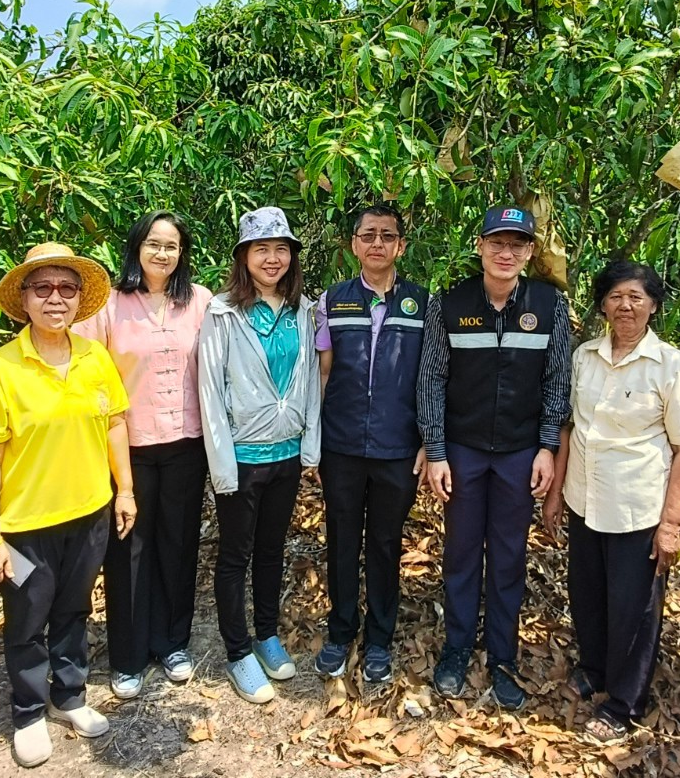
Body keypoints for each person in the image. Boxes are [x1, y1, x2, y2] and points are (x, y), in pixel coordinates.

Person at [0, 243, 137, 768]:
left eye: (66, 288)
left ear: (79, 299)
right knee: (26, 619)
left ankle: (70, 695)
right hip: (24, 525)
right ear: (24, 300)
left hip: (89, 513)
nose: (55, 298)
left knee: (73, 609)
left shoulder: (94, 357)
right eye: (43, 288)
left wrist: (125, 490)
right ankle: (27, 713)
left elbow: (115, 424)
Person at [544, 261, 680, 742]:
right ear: (602, 304)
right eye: (616, 296)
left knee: (633, 610)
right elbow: (570, 428)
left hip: (637, 509)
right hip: (585, 500)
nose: (625, 306)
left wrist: (671, 525)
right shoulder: (584, 357)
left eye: (636, 297)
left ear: (653, 305)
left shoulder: (672, 368)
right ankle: (594, 670)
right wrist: (555, 494)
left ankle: (624, 702)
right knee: (588, 596)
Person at [417, 204, 571, 710]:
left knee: (508, 556)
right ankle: (457, 648)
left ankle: (502, 656)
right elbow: (432, 378)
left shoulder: (548, 305)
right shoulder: (450, 303)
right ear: (480, 246)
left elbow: (557, 381)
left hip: (519, 454)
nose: (506, 252)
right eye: (497, 243)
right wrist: (436, 450)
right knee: (461, 552)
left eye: (517, 244)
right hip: (462, 451)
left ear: (529, 252)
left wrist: (547, 447)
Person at [74, 212, 212, 699]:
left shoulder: (199, 301)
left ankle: (172, 642)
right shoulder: (108, 306)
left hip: (186, 443)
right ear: (136, 247)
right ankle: (129, 655)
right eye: (153, 243)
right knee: (128, 549)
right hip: (126, 447)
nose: (162, 253)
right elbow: (85, 374)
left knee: (178, 542)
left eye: (171, 246)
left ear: (182, 253)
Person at [198, 206, 321, 704]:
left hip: (286, 453)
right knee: (235, 554)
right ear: (244, 256)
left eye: (281, 249)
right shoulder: (223, 312)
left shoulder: (304, 310)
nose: (272, 258)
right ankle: (238, 652)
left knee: (272, 549)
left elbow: (311, 380)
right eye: (261, 249)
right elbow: (210, 390)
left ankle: (266, 634)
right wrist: (222, 466)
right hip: (242, 455)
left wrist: (310, 447)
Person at [312, 203, 428, 684]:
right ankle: (341, 631)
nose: (377, 243)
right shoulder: (331, 301)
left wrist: (429, 441)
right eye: (368, 235)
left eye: (387, 236)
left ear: (401, 245)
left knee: (385, 542)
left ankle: (379, 638)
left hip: (397, 447)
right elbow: (323, 373)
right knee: (342, 539)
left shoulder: (424, 304)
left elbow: (431, 379)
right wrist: (315, 438)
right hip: (341, 445)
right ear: (354, 244)